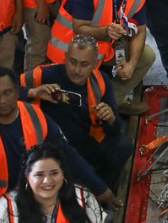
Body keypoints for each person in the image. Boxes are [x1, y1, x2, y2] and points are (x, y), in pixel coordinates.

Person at [0, 67, 116, 206]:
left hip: (34, 199)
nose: (2, 101)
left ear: (17, 91)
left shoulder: (35, 115)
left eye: (7, 92)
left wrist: (99, 188)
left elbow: (67, 154)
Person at [46, 0, 154, 115]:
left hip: (103, 49)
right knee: (75, 110)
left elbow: (140, 30)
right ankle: (93, 106)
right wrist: (104, 32)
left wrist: (132, 64)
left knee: (146, 56)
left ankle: (111, 102)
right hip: (70, 52)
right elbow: (79, 28)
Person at [21, 36, 130, 190]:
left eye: (84, 64)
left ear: (94, 64)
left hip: (83, 145)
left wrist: (111, 118)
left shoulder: (100, 82)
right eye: (72, 62)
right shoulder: (44, 75)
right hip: (47, 148)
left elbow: (115, 129)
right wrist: (33, 92)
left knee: (123, 146)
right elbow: (7, 92)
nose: (77, 70)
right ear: (65, 57)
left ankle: (99, 194)